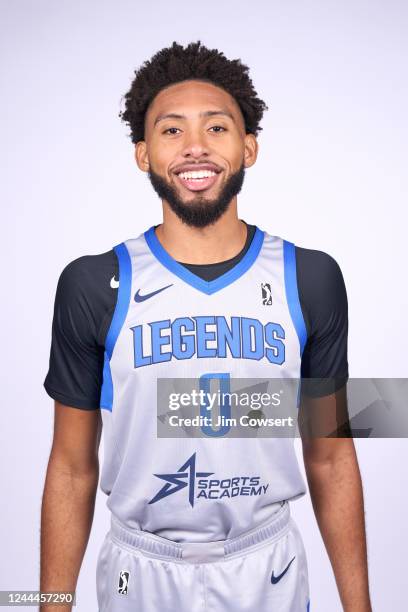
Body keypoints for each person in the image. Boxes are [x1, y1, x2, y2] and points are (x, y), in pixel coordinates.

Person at [40, 41, 372, 612]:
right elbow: (71, 467)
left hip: (266, 568)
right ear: (143, 154)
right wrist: (50, 604)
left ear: (249, 148)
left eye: (217, 128)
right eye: (171, 130)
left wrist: (359, 607)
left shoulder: (309, 278)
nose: (196, 146)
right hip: (139, 572)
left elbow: (332, 454)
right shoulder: (94, 283)